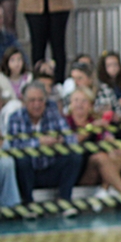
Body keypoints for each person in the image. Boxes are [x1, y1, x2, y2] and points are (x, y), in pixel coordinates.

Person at [65, 87, 121, 213]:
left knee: (120, 149)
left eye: (84, 101)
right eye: (76, 100)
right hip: (75, 171)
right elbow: (73, 141)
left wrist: (108, 138)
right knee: (100, 157)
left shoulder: (95, 121)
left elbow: (110, 140)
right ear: (70, 104)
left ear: (90, 106)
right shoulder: (66, 122)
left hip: (96, 171)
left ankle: (104, 190)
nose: (79, 104)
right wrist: (91, 128)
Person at [7, 81, 83, 211]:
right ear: (24, 102)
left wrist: (60, 141)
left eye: (40, 100)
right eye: (32, 100)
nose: (37, 105)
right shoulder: (15, 117)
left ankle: (65, 201)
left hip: (51, 166)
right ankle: (28, 204)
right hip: (28, 171)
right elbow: (14, 146)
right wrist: (39, 142)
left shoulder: (53, 113)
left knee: (75, 155)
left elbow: (71, 138)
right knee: (21, 160)